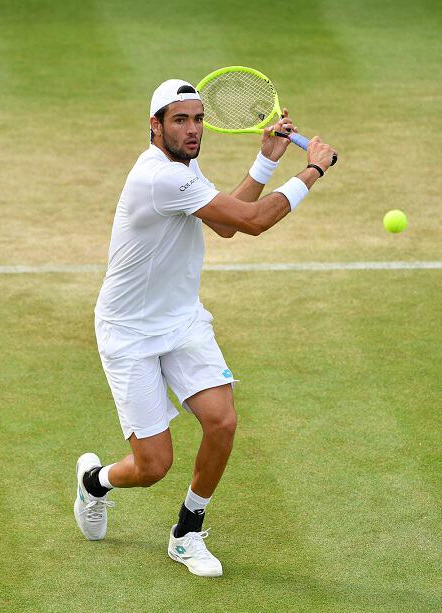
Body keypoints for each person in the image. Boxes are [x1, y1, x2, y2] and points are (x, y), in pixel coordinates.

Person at [74, 78, 336, 577]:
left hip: (181, 320)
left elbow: (225, 223)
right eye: (181, 120)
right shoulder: (160, 177)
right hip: (128, 332)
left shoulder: (182, 167)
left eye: (198, 118)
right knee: (152, 467)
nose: (194, 129)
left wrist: (266, 160)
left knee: (222, 420)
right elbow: (253, 221)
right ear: (155, 127)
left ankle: (187, 532)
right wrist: (314, 168)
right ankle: (94, 482)